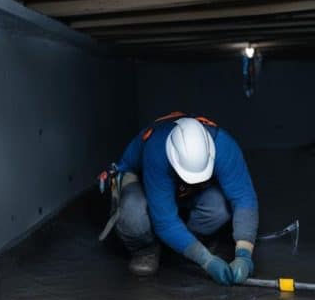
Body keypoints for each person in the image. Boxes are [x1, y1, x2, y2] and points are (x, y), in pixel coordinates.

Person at [107, 112, 258, 285]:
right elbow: (165, 221)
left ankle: (192, 241)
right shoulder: (156, 150)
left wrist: (244, 254)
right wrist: (206, 260)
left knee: (220, 208)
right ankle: (145, 249)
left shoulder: (224, 146)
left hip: (189, 187)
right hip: (143, 179)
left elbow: (244, 199)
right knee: (133, 212)